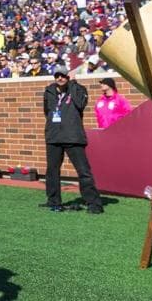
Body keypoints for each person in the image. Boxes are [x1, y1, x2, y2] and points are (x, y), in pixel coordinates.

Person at [43, 66, 104, 214]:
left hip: (73, 136)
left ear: (68, 77)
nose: (60, 78)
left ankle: (94, 203)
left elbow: (80, 104)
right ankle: (53, 200)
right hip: (54, 136)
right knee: (52, 171)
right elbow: (47, 111)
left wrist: (74, 84)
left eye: (63, 75)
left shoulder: (78, 89)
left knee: (83, 171)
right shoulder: (49, 91)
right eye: (57, 75)